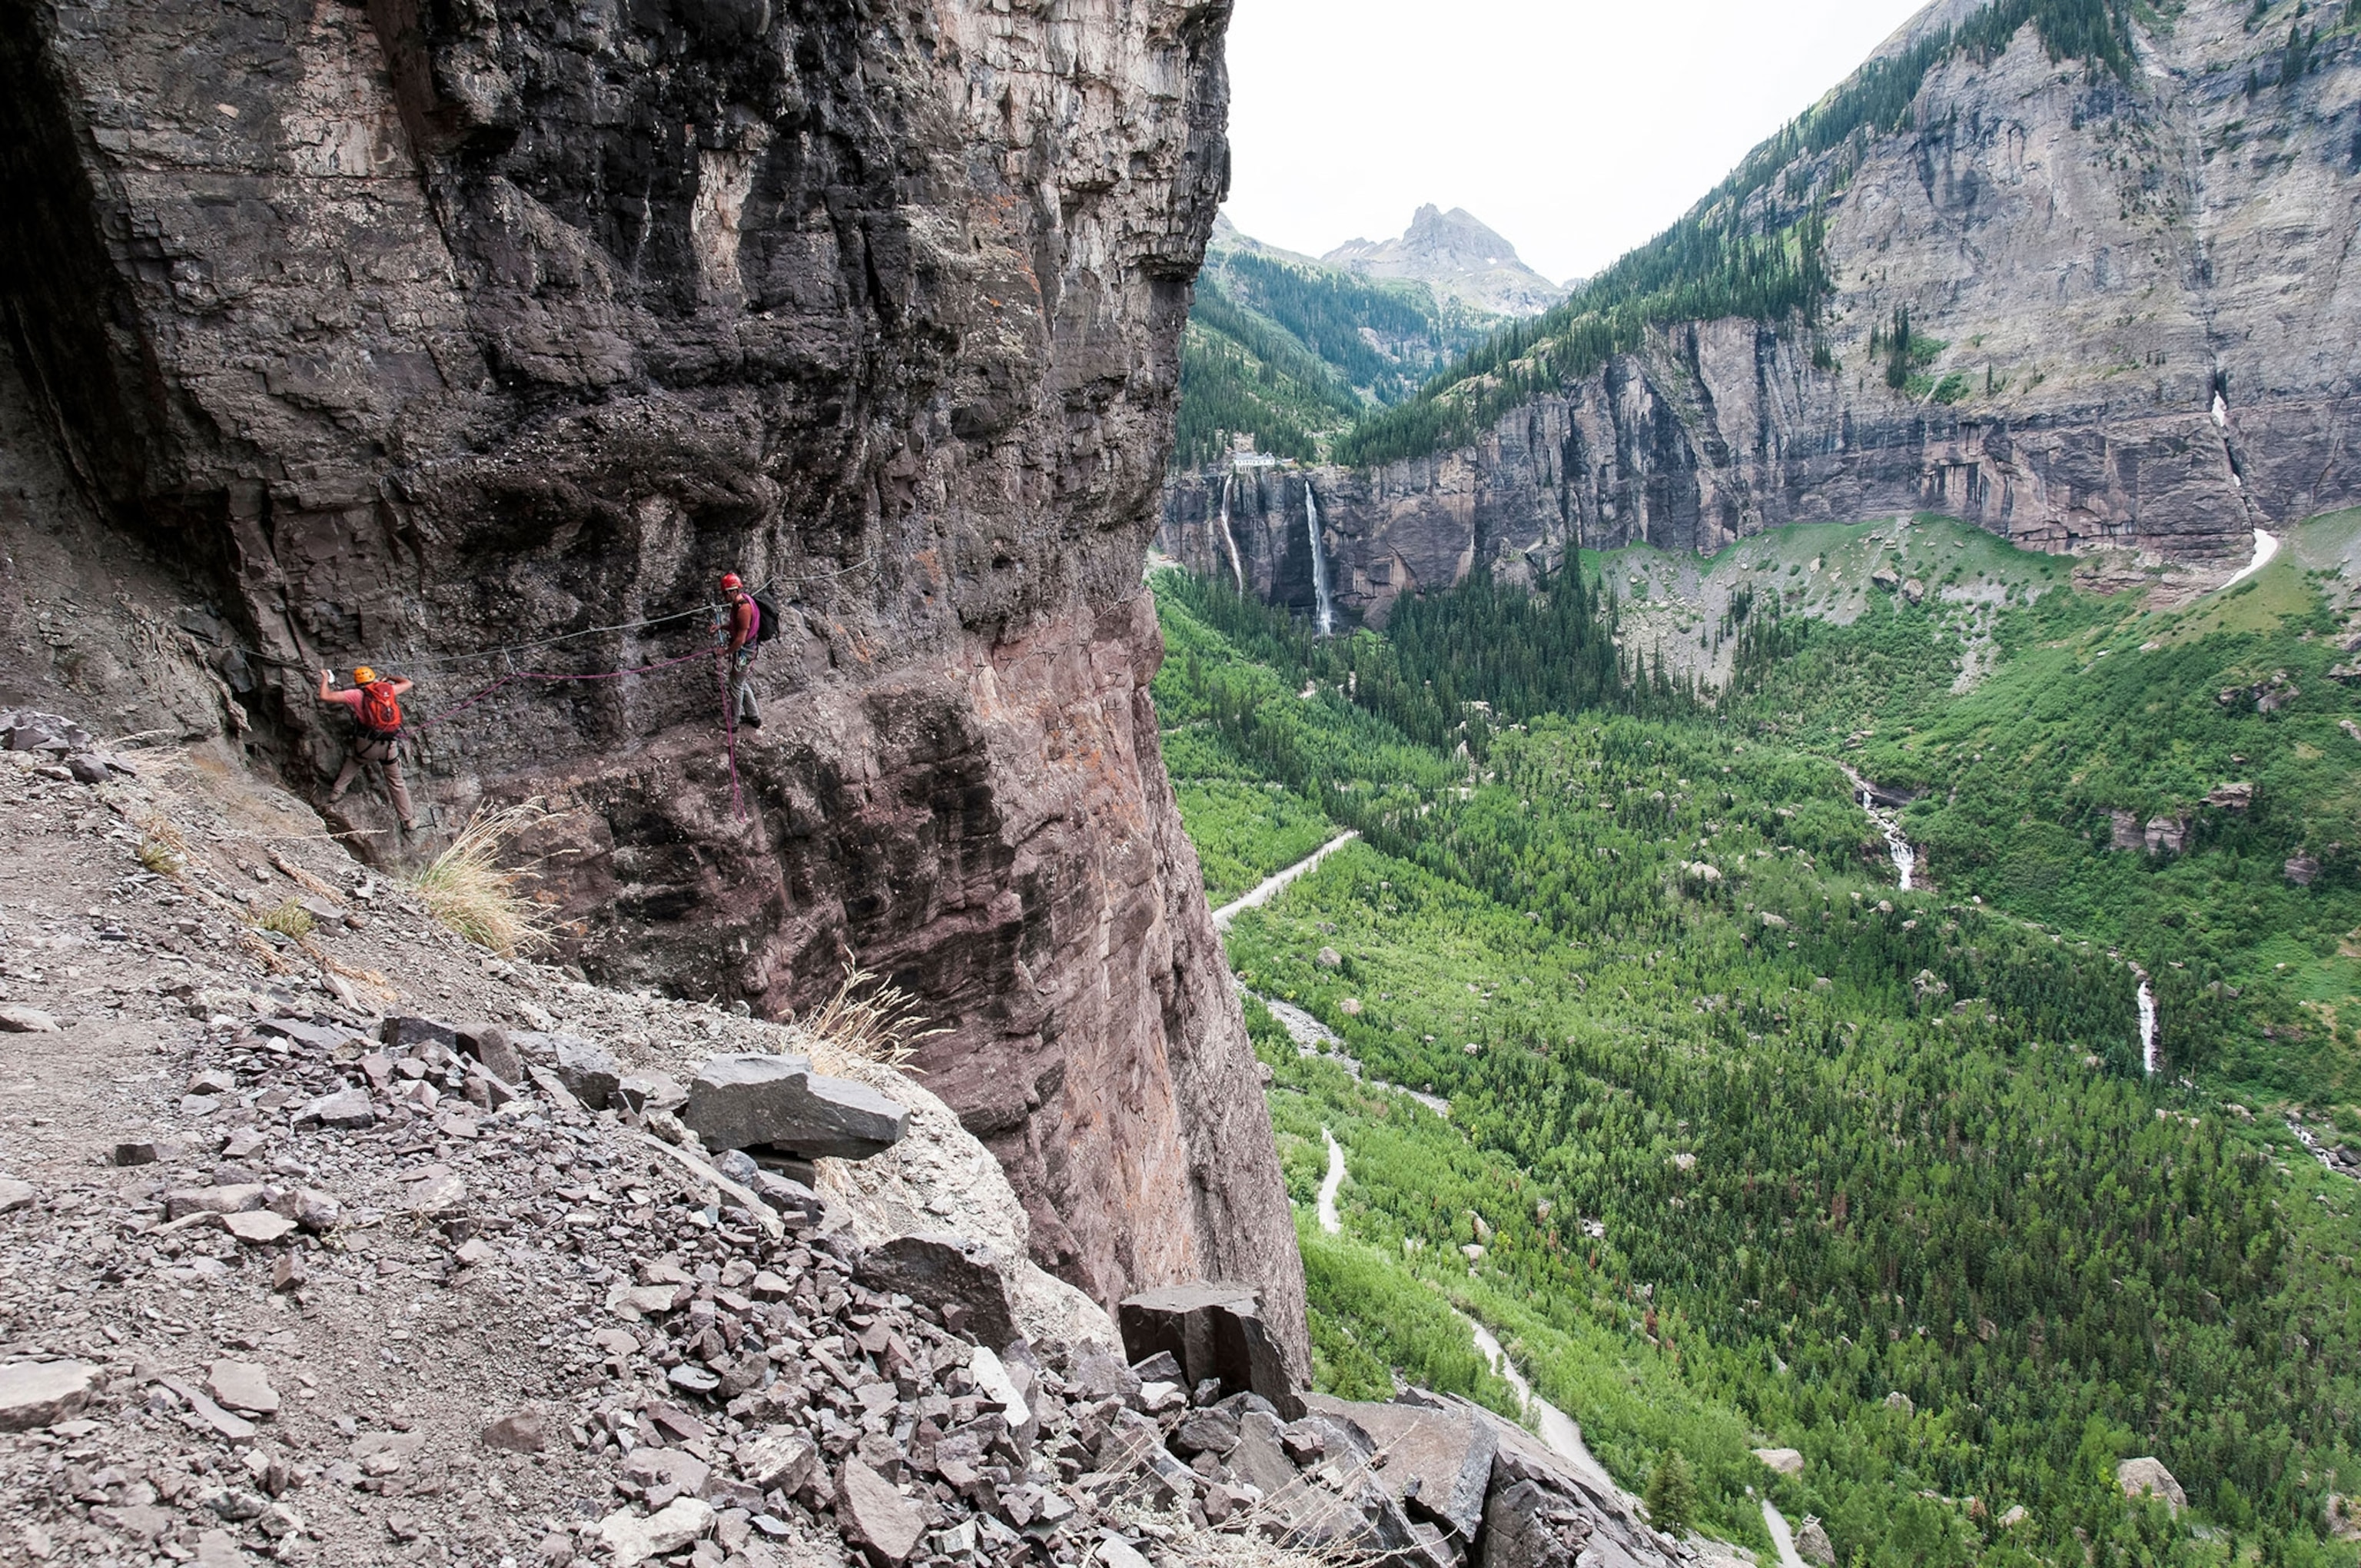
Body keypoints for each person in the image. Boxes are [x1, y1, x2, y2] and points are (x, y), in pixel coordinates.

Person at [319, 665, 418, 833]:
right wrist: (389, 678)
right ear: (373, 678)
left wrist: (324, 678)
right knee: (396, 781)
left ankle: (336, 793)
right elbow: (409, 683)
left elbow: (325, 696)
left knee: (355, 760)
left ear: (358, 682)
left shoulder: (356, 694)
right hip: (389, 745)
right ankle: (408, 820)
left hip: (366, 744)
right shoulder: (388, 691)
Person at [717, 572, 762, 729]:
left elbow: (741, 639)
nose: (724, 597)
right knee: (740, 682)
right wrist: (721, 627)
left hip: (745, 653)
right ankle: (754, 717)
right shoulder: (740, 604)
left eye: (725, 593)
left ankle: (733, 723)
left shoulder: (744, 608)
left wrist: (726, 652)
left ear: (734, 591)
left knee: (735, 685)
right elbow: (736, 627)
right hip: (745, 651)